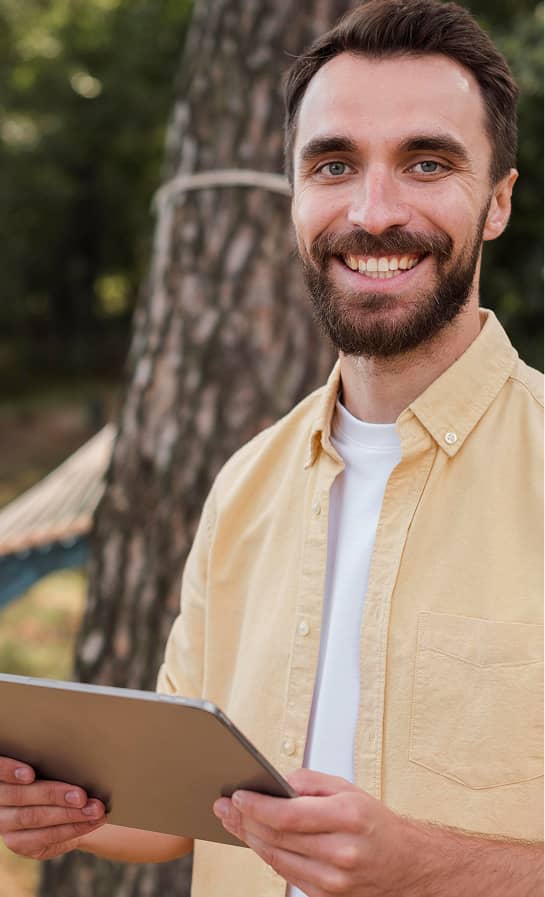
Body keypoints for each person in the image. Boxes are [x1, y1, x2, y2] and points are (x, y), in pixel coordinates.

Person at [0, 1, 542, 894]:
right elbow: (174, 816)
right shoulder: (247, 484)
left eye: (426, 163)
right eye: (333, 164)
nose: (372, 211)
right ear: (294, 191)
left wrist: (425, 866)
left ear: (497, 202)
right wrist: (57, 809)